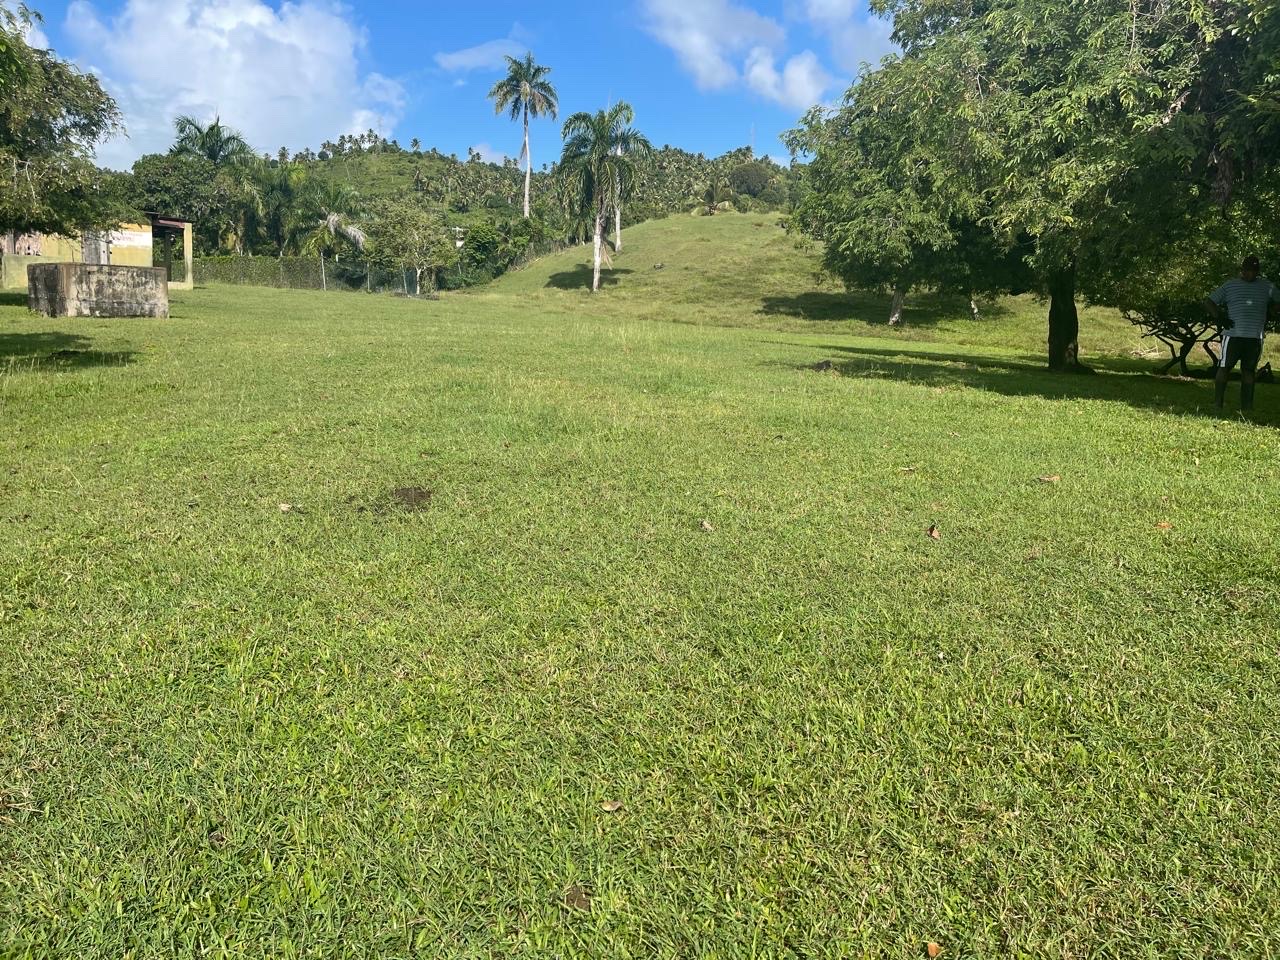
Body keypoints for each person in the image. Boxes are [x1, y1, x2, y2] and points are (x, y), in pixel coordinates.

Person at [1204, 255, 1280, 413]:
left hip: (1254, 336)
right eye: (1247, 271)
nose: (1250, 274)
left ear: (1257, 271)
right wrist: (1219, 317)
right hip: (1233, 335)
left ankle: (1247, 407)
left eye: (1253, 271)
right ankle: (1218, 403)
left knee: (1249, 370)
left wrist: (1273, 311)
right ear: (1242, 270)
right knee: (1224, 367)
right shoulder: (1230, 285)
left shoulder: (1267, 286)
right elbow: (1209, 301)